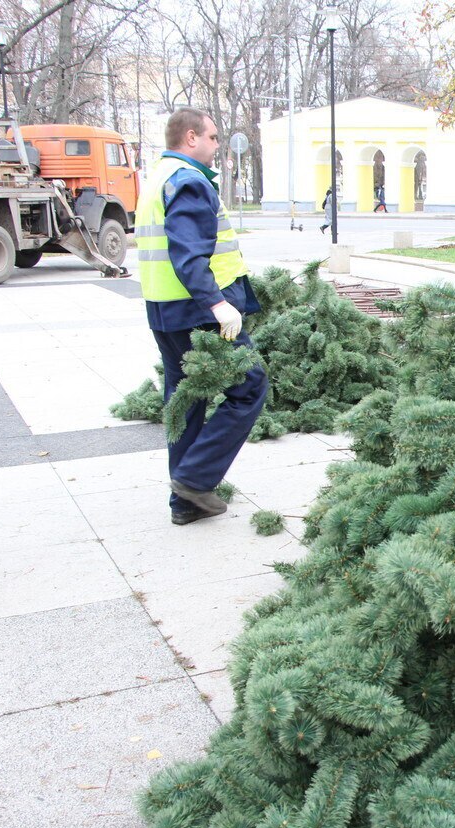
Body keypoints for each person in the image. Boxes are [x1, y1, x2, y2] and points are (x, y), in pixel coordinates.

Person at [134, 107, 267, 525]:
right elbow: (189, 255)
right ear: (191, 138)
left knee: (186, 399)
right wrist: (218, 304)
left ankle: (185, 503)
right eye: (212, 137)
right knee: (250, 386)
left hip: (164, 310)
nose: (215, 145)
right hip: (198, 314)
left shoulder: (158, 177)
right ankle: (194, 479)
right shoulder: (189, 181)